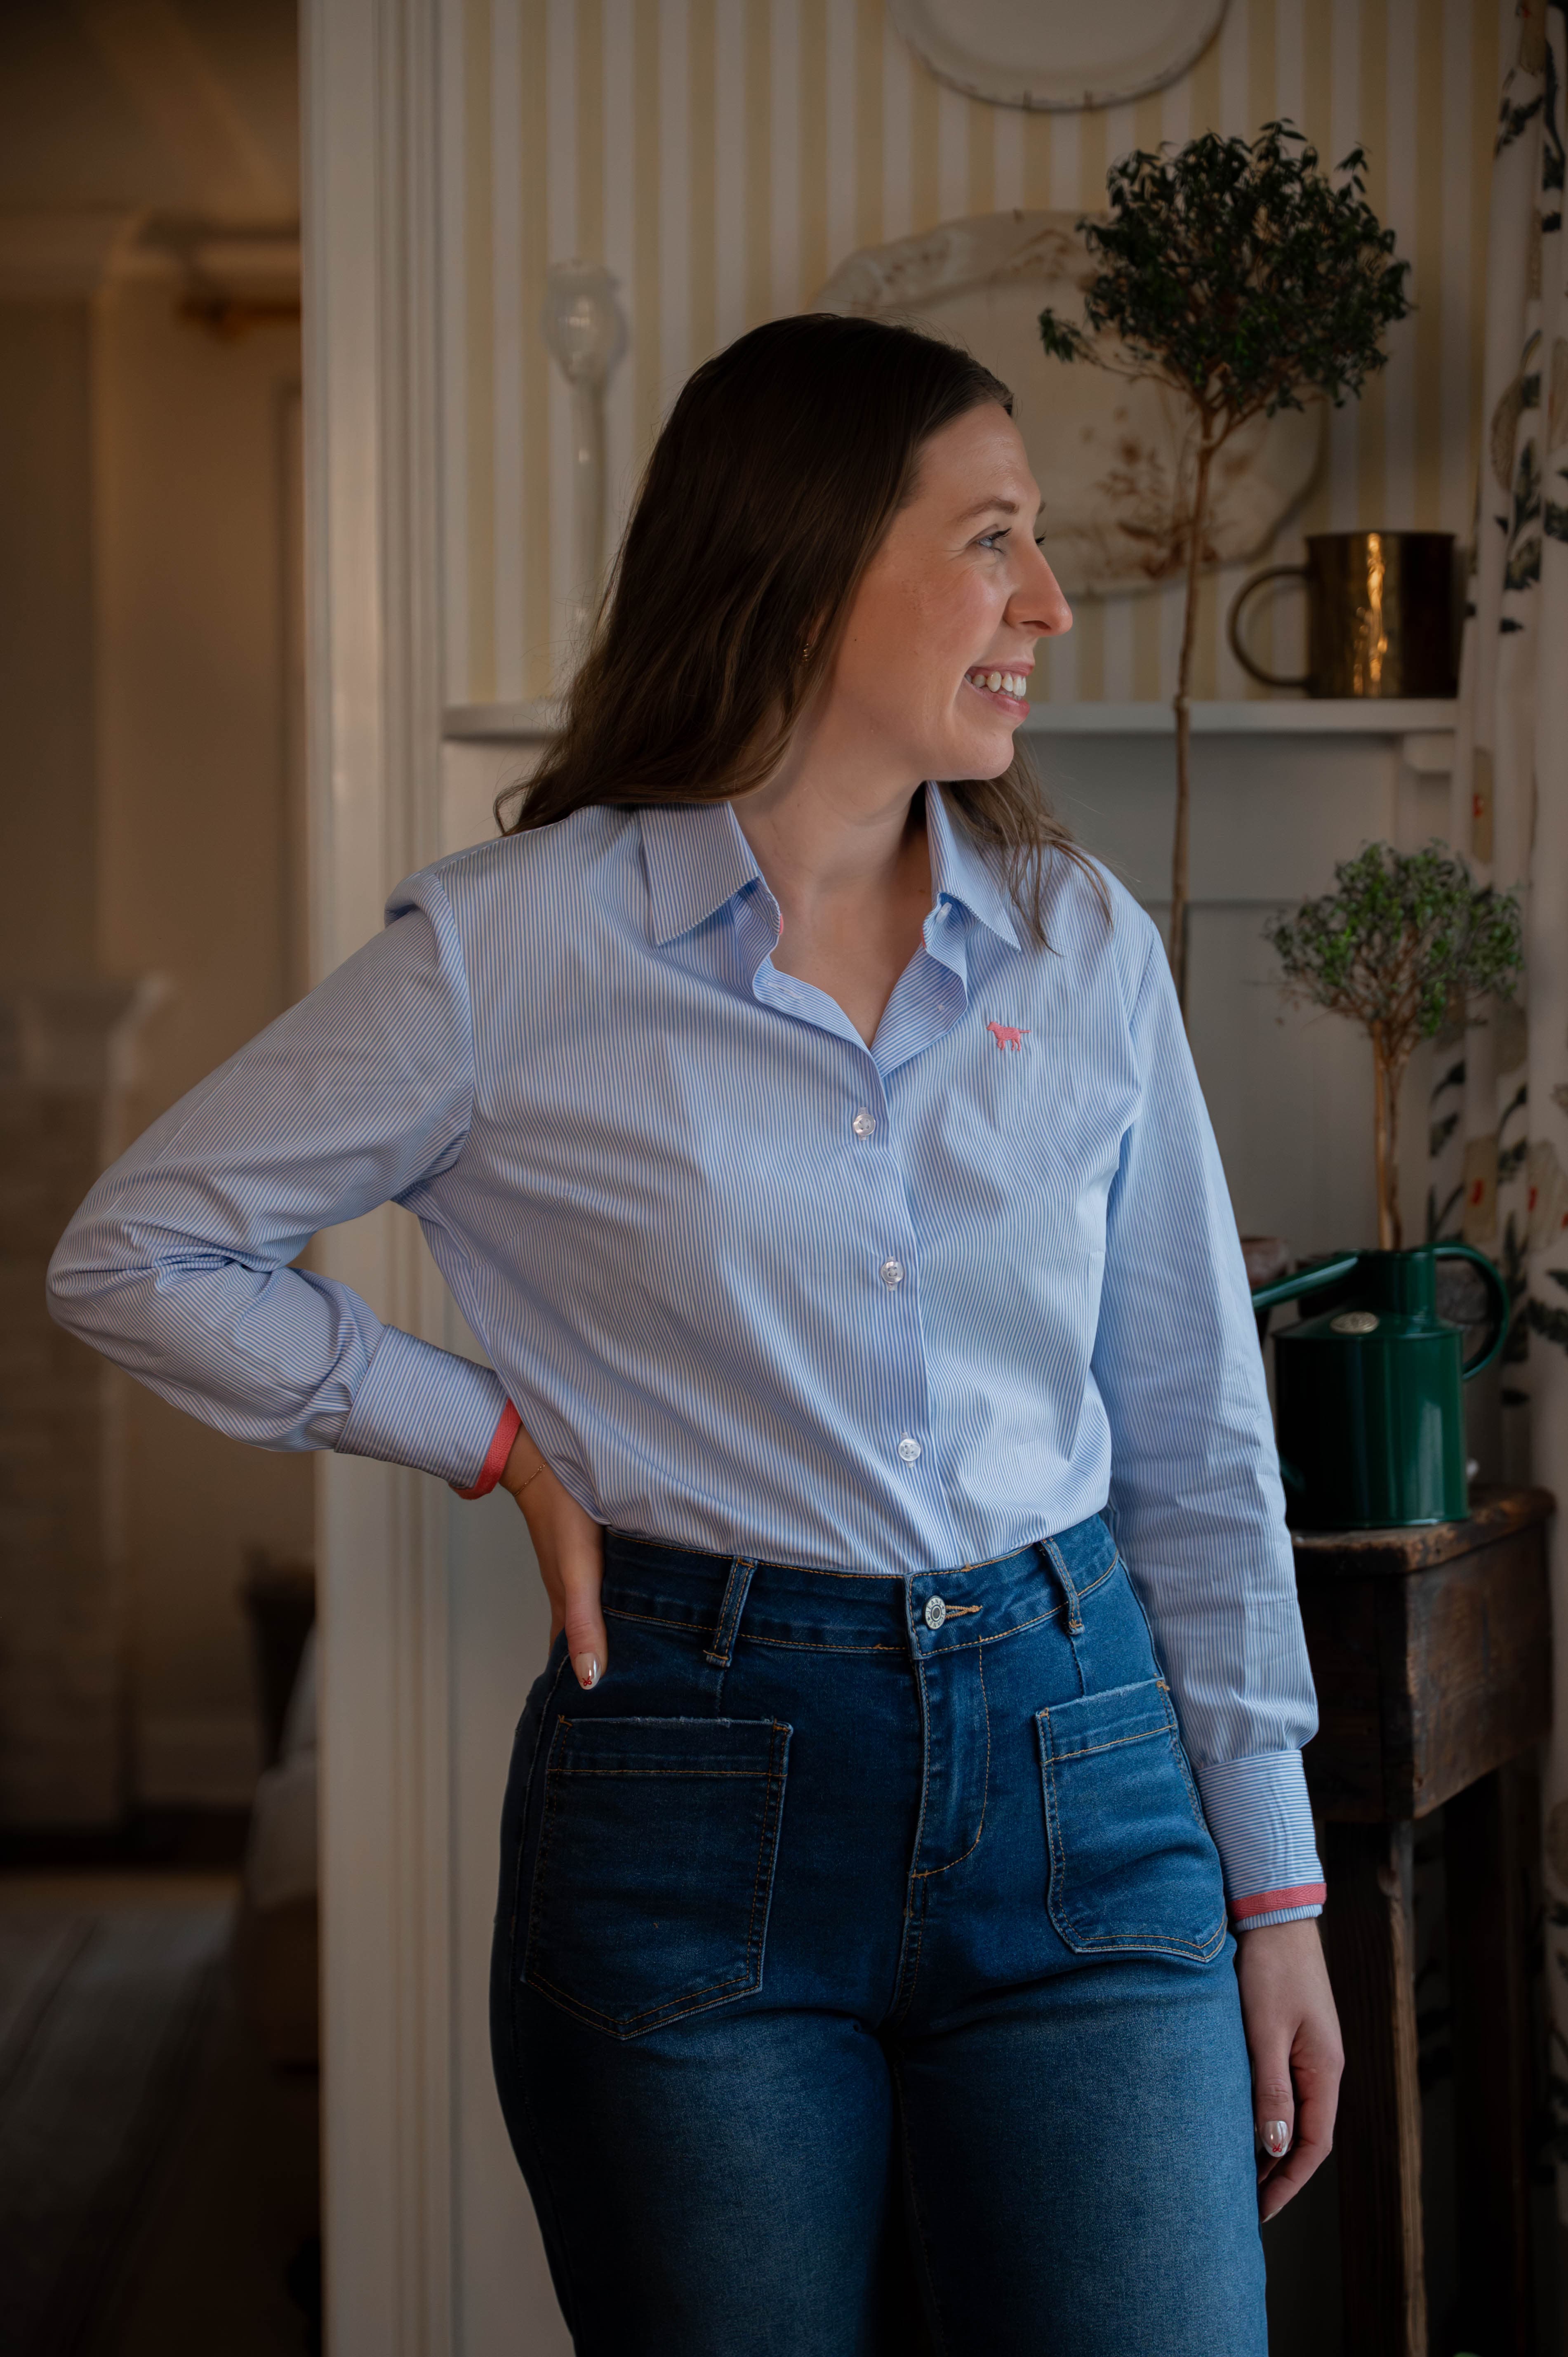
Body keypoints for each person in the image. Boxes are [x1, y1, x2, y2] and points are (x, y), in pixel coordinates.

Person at [49, 314, 1341, 2356]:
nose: (1050, 603)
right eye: (993, 538)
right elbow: (137, 1252)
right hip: (688, 1792)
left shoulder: (1085, 942)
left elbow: (1191, 1441)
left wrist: (1277, 1891)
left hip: (1084, 1772)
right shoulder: (509, 950)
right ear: (811, 562)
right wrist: (489, 1431)